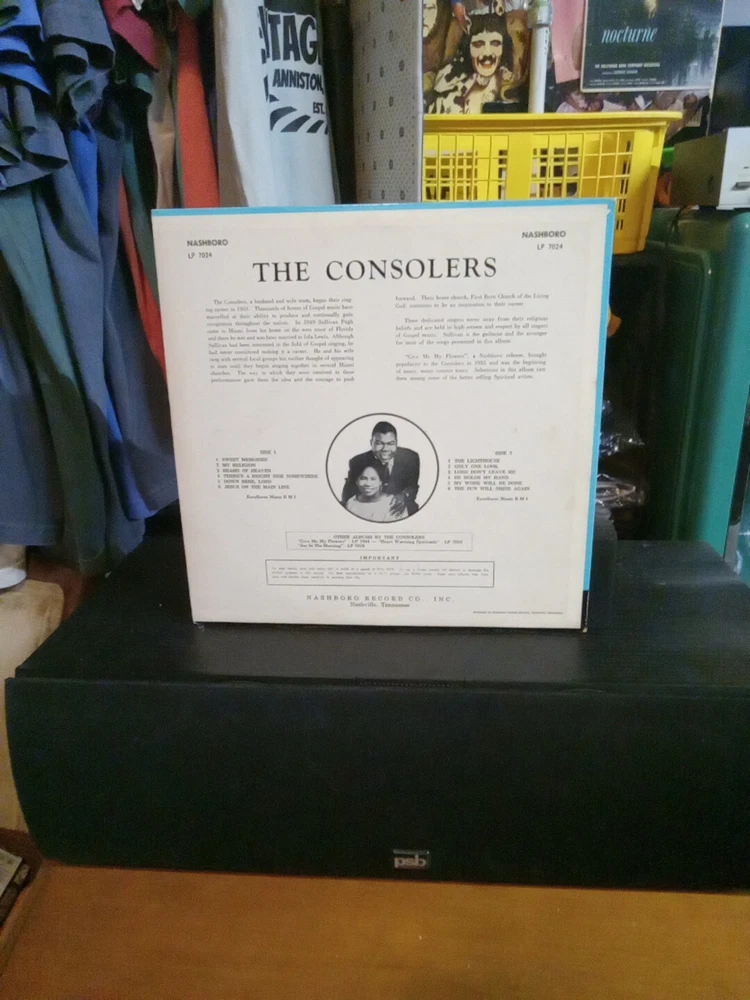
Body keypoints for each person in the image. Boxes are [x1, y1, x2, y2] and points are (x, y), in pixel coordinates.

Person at [427, 12, 515, 114]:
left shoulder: (507, 81)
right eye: (478, 44)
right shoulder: (449, 78)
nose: (487, 53)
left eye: (495, 43)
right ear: (468, 48)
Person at [341, 421, 420, 518]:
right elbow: (348, 493)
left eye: (390, 443)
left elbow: (413, 486)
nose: (385, 449)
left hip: (399, 509)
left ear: (396, 443)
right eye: (379, 443)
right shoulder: (358, 461)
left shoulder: (410, 457)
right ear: (371, 443)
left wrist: (404, 495)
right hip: (369, 508)